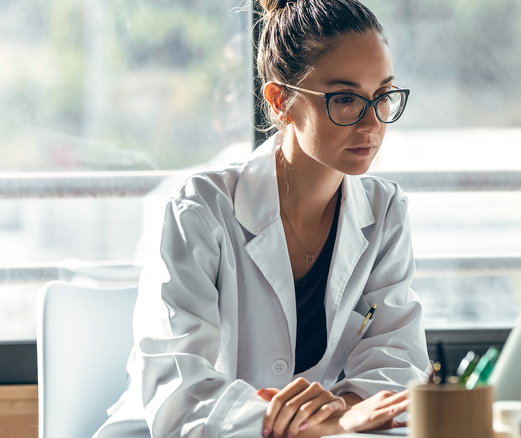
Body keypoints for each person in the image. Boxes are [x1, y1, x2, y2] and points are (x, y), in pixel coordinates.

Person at [94, 0, 430, 437]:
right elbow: (178, 391)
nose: (372, 123)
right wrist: (313, 424)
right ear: (280, 101)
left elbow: (398, 364)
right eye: (345, 99)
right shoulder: (198, 210)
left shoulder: (385, 211)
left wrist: (336, 418)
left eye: (382, 96)